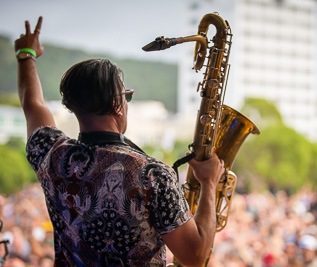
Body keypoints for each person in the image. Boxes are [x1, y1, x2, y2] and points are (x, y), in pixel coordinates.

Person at [14, 16, 225, 266]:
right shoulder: (152, 174)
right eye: (127, 96)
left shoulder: (52, 155)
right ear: (117, 104)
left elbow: (32, 104)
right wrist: (209, 183)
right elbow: (196, 256)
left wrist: (26, 53)